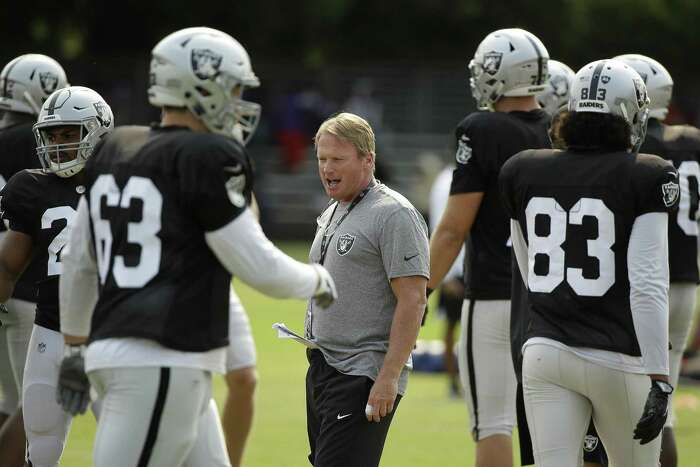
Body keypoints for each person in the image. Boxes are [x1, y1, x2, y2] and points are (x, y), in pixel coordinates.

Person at [55, 27, 336, 467]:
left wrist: (73, 348)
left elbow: (79, 262)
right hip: (163, 357)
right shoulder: (205, 154)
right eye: (235, 88)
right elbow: (255, 263)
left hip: (121, 352)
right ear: (202, 85)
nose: (241, 100)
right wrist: (317, 278)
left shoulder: (116, 148)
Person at [500, 58, 676, 467]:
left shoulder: (522, 168)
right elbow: (648, 283)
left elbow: (528, 273)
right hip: (619, 355)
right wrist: (661, 378)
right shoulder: (648, 173)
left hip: (545, 350)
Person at [427, 28, 551, 467]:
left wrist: (417, 289)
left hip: (497, 295)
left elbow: (451, 230)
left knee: (494, 423)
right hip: (556, 301)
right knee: (551, 432)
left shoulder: (482, 129)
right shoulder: (563, 127)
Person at [305, 112, 429, 467]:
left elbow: (413, 298)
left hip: (362, 371)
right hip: (323, 365)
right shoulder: (334, 209)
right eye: (322, 159)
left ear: (368, 159)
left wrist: (388, 377)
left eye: (337, 159)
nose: (327, 168)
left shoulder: (394, 214)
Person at [0, 85, 111, 467]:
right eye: (52, 135)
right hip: (50, 330)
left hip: (111, 332)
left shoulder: (124, 183)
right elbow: (7, 266)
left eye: (69, 134)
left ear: (99, 132)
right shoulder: (31, 186)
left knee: (125, 445)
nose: (59, 144)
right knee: (42, 444)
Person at [616, 53, 699, 467]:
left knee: (630, 402)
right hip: (687, 281)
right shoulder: (692, 143)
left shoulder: (641, 147)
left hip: (648, 281)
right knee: (661, 401)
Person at [0, 53, 68, 467]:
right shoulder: (34, 139)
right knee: (35, 407)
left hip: (5, 284)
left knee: (11, 403)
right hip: (30, 287)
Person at [428, 164, 465, 397]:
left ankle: (456, 382)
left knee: (454, 326)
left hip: (453, 262)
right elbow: (442, 224)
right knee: (456, 326)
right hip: (459, 264)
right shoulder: (450, 180)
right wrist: (447, 275)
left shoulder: (443, 178)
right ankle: (454, 382)